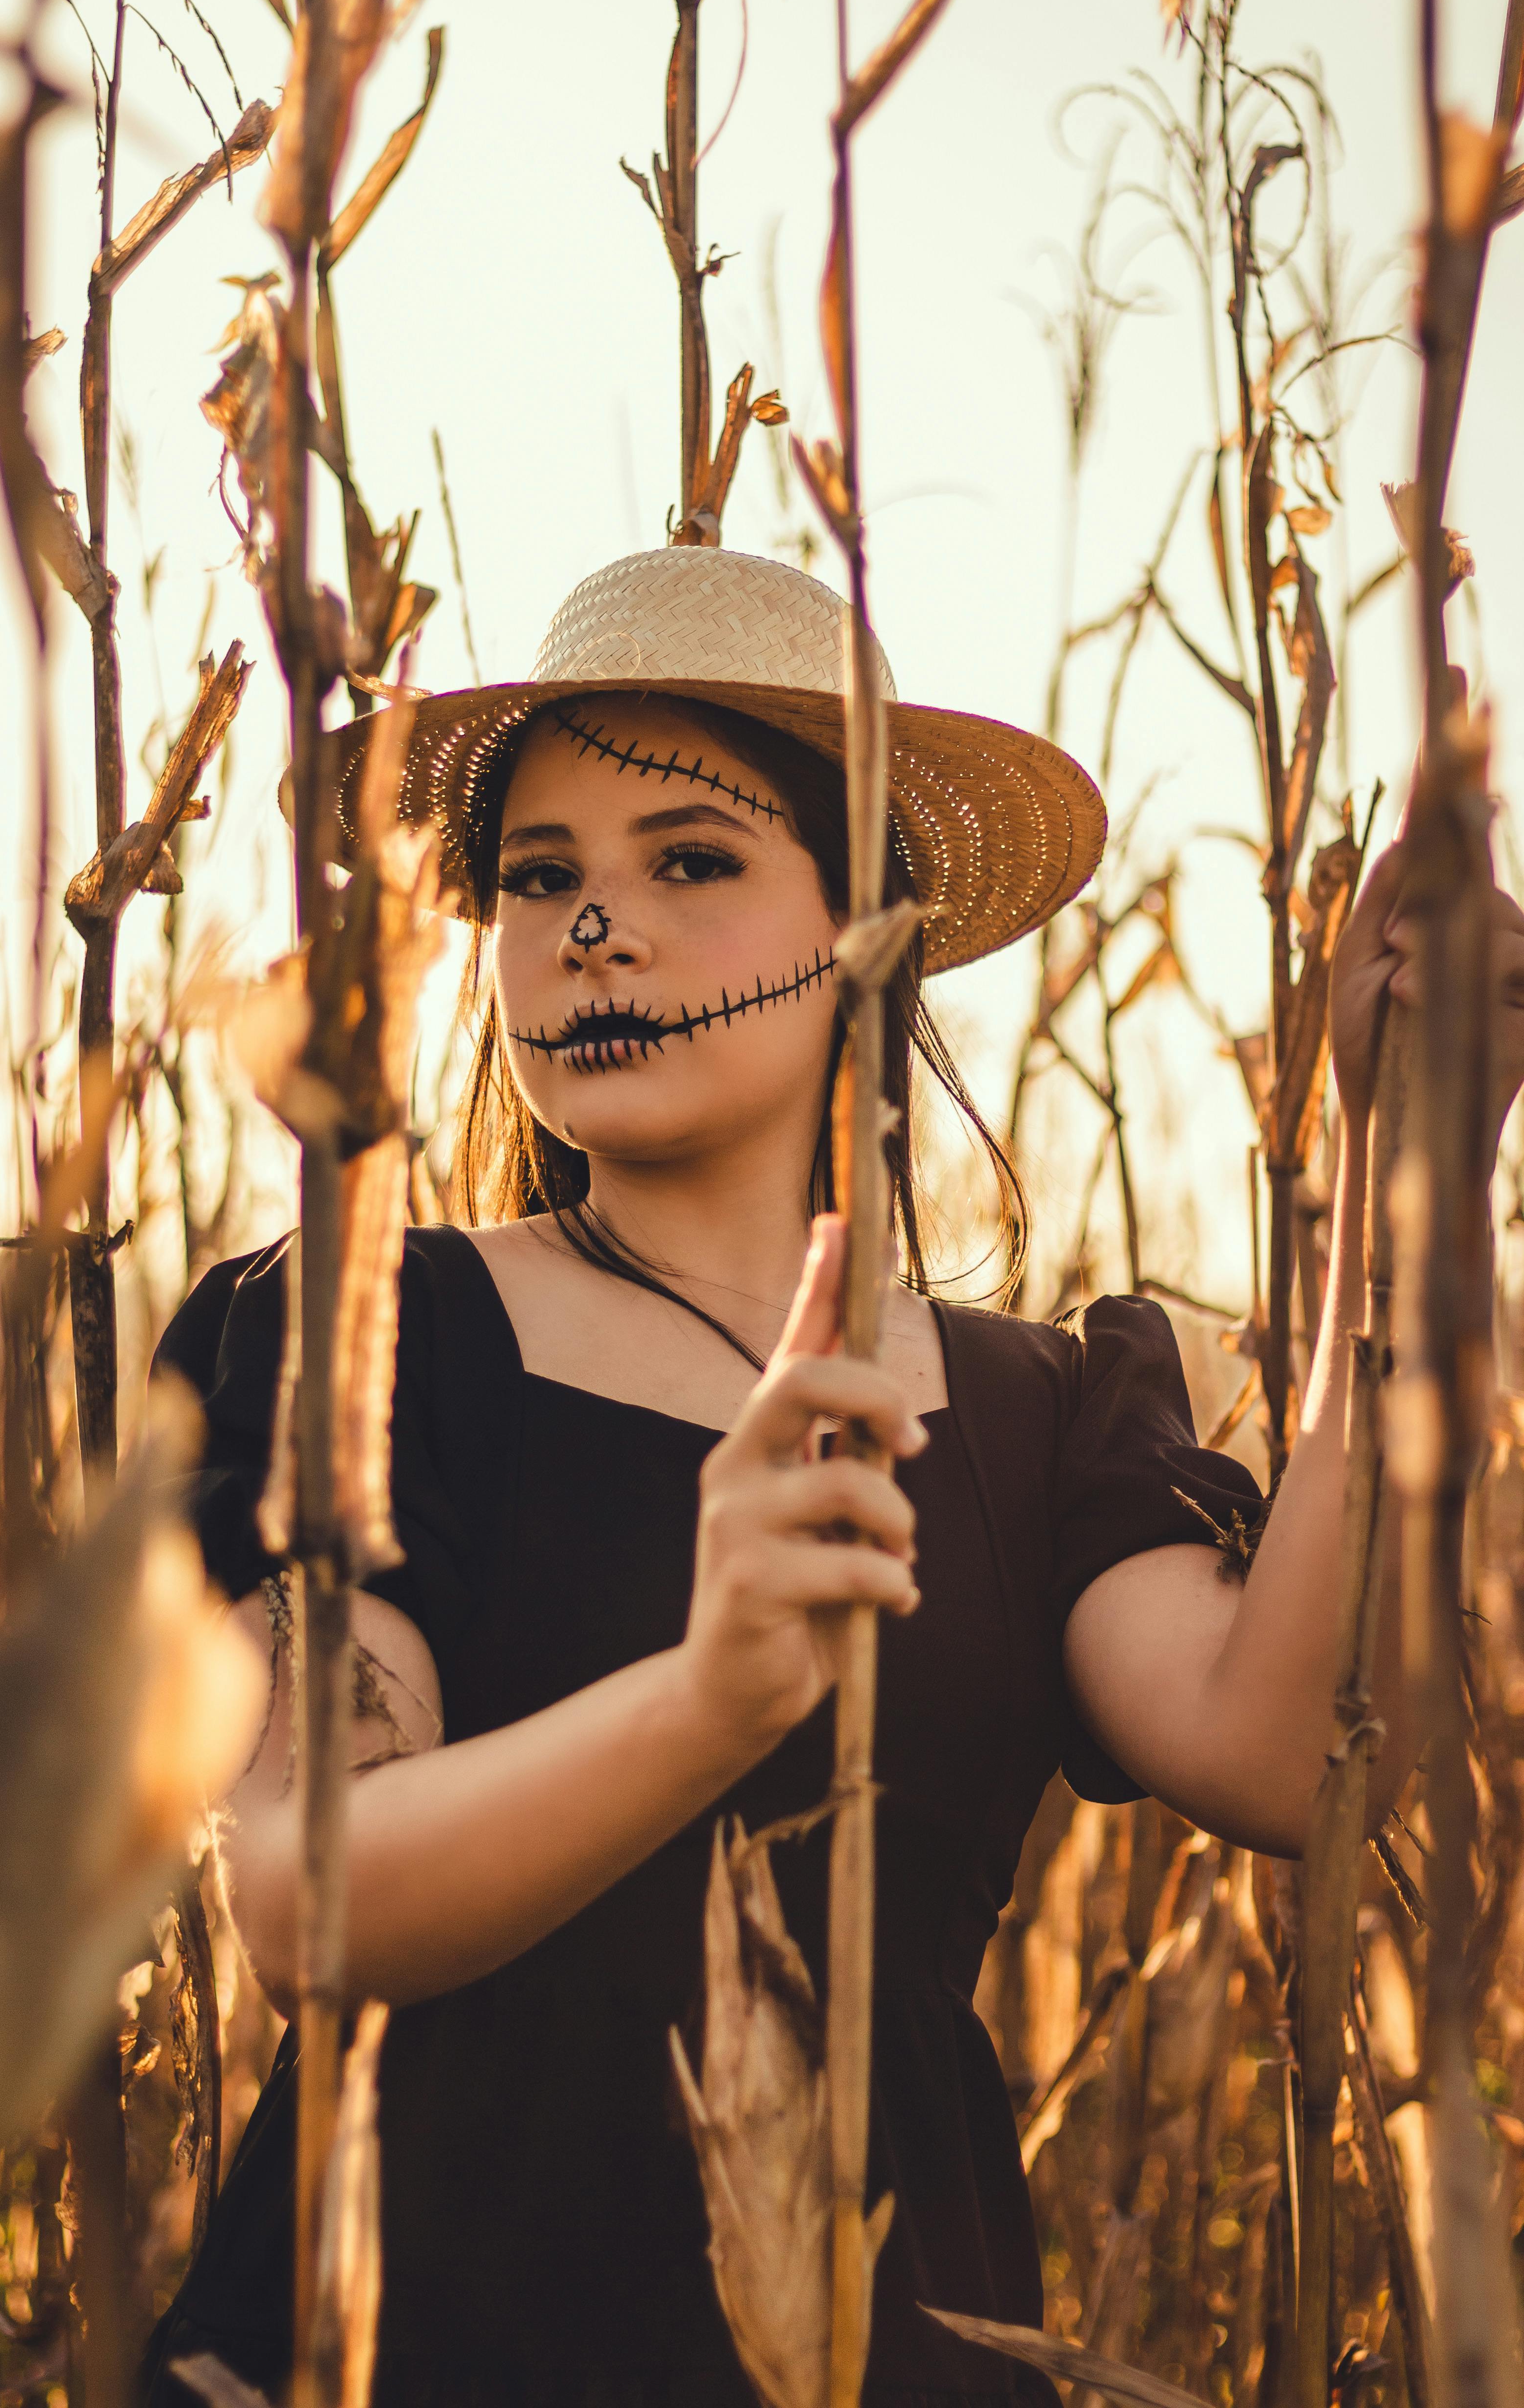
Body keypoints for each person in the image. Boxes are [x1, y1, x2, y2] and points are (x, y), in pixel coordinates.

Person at [144, 545, 1524, 2408]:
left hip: (879, 2351)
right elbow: (309, 1894)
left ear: (865, 931)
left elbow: (1290, 1755)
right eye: (539, 877)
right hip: (414, 2342)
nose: (593, 930)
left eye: (689, 862)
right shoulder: (371, 1323)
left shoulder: (1039, 1408)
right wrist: (714, 1696)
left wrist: (1413, 1177)